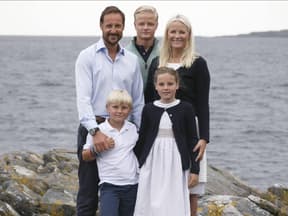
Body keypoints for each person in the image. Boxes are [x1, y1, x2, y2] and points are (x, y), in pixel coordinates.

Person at [75, 6, 144, 216]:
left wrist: (142, 134)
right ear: (101, 26)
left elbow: (138, 101)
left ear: (124, 28)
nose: (113, 30)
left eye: (118, 26)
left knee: (125, 190)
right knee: (88, 194)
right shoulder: (87, 57)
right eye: (109, 25)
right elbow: (83, 99)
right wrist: (95, 133)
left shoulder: (131, 61)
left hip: (124, 132)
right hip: (93, 128)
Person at [145, 14, 210, 216]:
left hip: (189, 132)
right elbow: (148, 100)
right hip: (160, 133)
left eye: (181, 32)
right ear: (166, 34)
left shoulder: (198, 64)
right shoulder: (157, 62)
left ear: (188, 35)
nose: (177, 36)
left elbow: (203, 103)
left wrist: (204, 137)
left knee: (190, 188)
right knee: (158, 184)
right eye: (173, 31)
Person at [133, 67, 200, 216]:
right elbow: (142, 138)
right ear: (155, 86)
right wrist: (137, 162)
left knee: (173, 198)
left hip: (175, 161)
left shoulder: (186, 108)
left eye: (170, 84)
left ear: (177, 85)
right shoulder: (149, 109)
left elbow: (192, 140)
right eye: (161, 84)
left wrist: (195, 170)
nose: (166, 88)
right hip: (152, 160)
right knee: (149, 197)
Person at [82, 90, 139, 216]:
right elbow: (85, 156)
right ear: (107, 108)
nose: (119, 111)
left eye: (124, 108)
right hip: (109, 185)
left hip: (132, 184)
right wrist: (98, 148)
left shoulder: (133, 129)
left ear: (129, 110)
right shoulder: (99, 131)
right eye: (115, 107)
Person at [126, 5, 160, 99]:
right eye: (141, 24)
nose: (145, 27)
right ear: (135, 25)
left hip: (157, 110)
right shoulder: (124, 54)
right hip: (131, 109)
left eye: (150, 24)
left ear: (156, 25)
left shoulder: (165, 54)